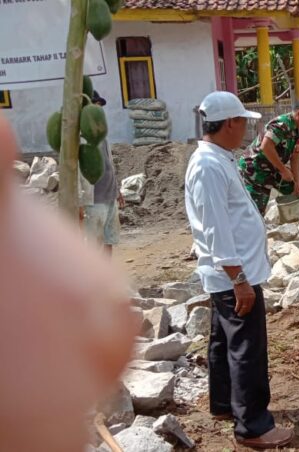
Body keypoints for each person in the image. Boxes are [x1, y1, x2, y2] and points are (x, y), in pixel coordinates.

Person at [0, 113, 138, 451]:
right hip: (91, 202)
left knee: (104, 244)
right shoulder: (75, 141)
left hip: (104, 198)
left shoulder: (98, 140)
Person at [185, 91, 294, 449]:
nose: (247, 129)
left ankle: (223, 405)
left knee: (224, 342)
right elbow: (216, 227)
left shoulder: (219, 158)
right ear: (229, 123)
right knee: (248, 349)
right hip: (234, 276)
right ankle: (254, 427)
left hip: (230, 275)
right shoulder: (208, 166)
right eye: (243, 122)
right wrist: (240, 280)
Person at [239, 99, 299, 234]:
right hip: (255, 168)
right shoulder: (281, 124)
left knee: (298, 193)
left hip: (274, 168)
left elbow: (296, 155)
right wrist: (283, 170)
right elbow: (266, 146)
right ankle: (249, 238)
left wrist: (297, 181)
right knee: (257, 207)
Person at [81, 91, 124, 255]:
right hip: (93, 200)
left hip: (109, 198)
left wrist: (117, 189)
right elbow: (77, 172)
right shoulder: (81, 139)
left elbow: (109, 163)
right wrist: (80, 202)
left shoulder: (102, 136)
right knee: (93, 246)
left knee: (109, 240)